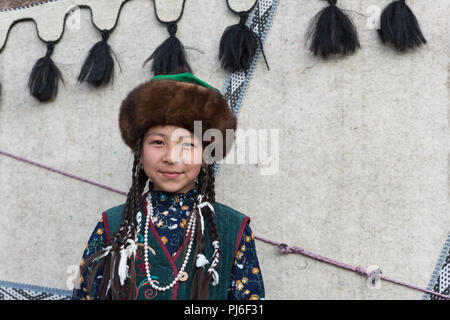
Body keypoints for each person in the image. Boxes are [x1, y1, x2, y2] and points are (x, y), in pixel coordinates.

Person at [72, 71, 265, 300]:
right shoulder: (113, 225)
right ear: (140, 152)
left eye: (187, 144)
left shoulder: (233, 229)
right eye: (158, 142)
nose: (171, 157)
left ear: (206, 156)